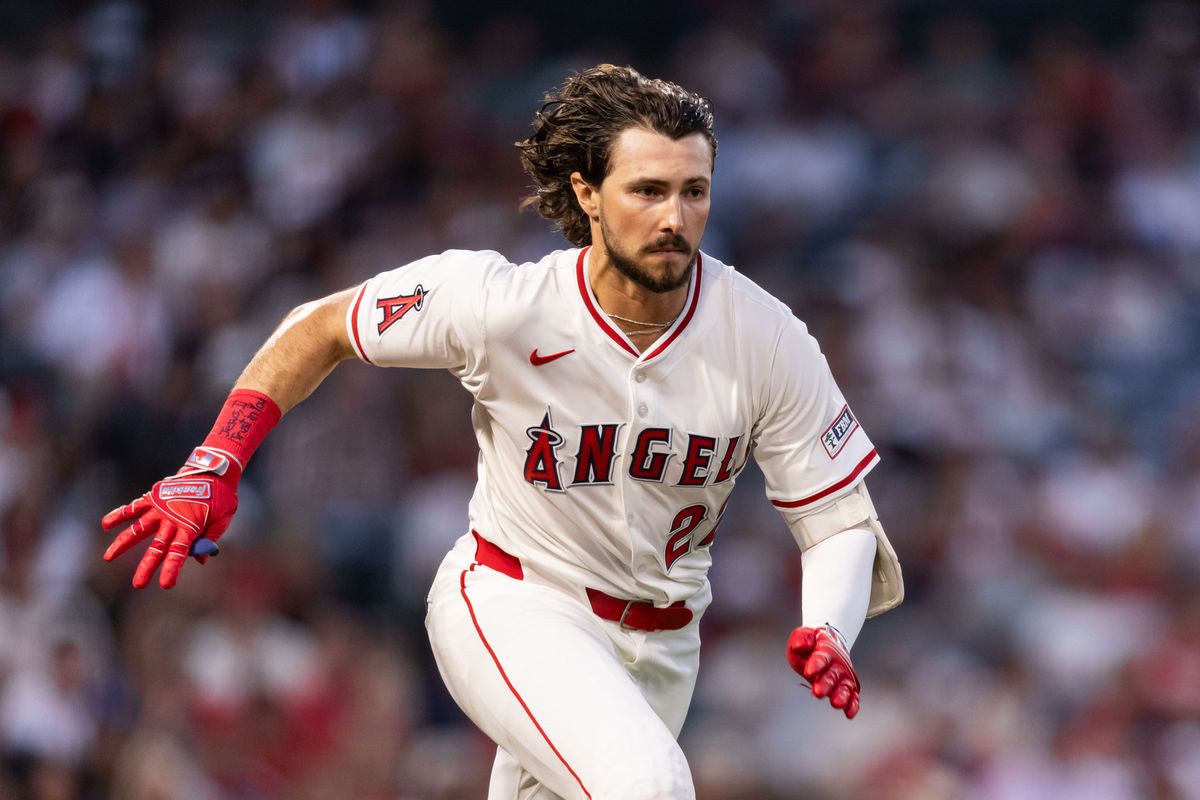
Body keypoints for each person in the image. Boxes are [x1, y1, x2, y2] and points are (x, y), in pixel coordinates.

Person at [101, 64, 903, 799]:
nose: (675, 216)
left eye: (694, 191)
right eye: (648, 190)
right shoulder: (503, 305)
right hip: (514, 600)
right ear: (588, 194)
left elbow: (834, 515)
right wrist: (217, 459)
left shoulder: (763, 335)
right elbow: (320, 326)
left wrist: (829, 623)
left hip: (662, 649)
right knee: (650, 783)